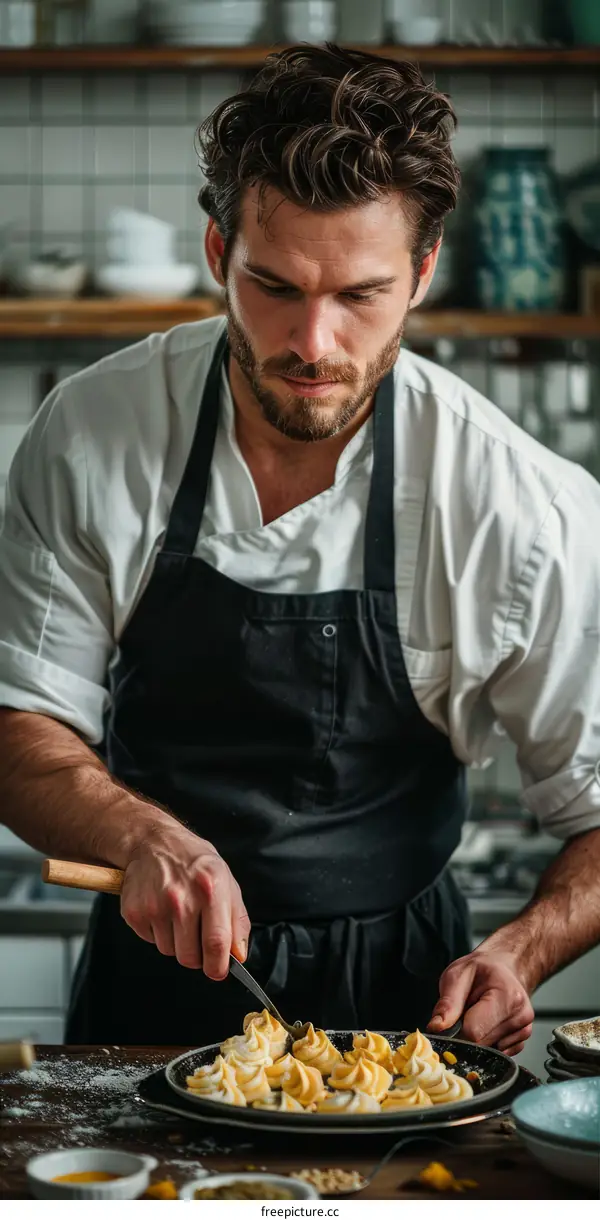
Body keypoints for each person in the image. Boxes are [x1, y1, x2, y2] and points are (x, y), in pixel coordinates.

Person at [1, 45, 599, 1051]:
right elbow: (19, 726)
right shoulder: (94, 430)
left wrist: (524, 949)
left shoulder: (517, 502)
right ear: (215, 254)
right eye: (273, 285)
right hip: (148, 991)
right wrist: (139, 835)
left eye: (359, 294)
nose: (312, 343)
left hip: (407, 1009)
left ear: (421, 274)